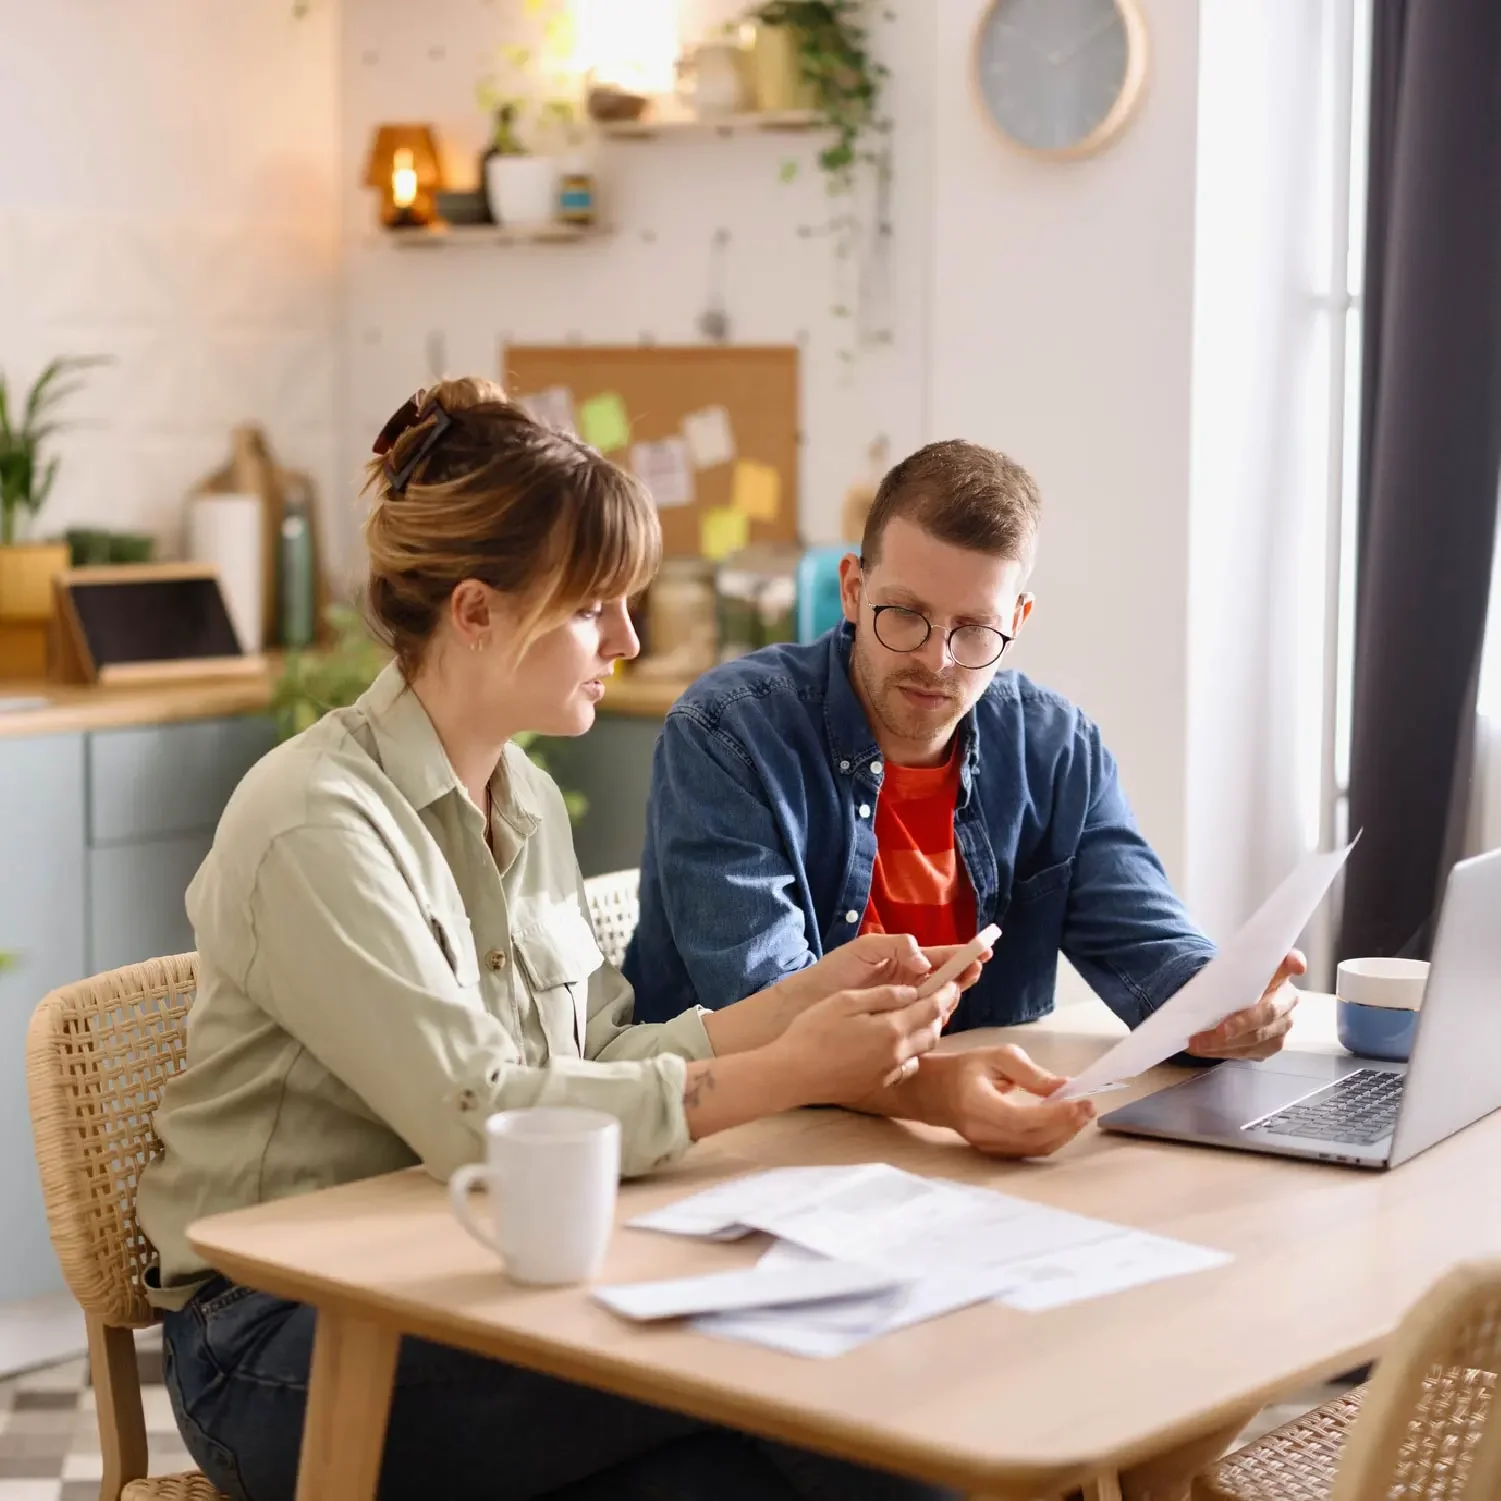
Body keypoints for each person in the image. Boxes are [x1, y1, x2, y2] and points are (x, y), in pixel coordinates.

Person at [136, 380, 984, 1501]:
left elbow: (581, 1060)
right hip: (286, 1339)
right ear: (477, 611)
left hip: (471, 1264)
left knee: (755, 1468)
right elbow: (483, 1117)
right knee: (791, 1380)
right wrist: (785, 1072)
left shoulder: (524, 796)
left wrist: (794, 1003)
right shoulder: (312, 821)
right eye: (596, 607)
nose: (627, 639)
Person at [626, 439, 1305, 1163]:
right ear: (852, 589)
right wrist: (937, 1092)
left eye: (974, 629)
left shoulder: (1054, 746)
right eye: (905, 615)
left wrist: (1224, 1007)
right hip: (738, 1145)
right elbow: (773, 1017)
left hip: (961, 1145)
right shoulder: (730, 732)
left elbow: (1151, 947)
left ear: (1019, 617)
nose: (935, 659)